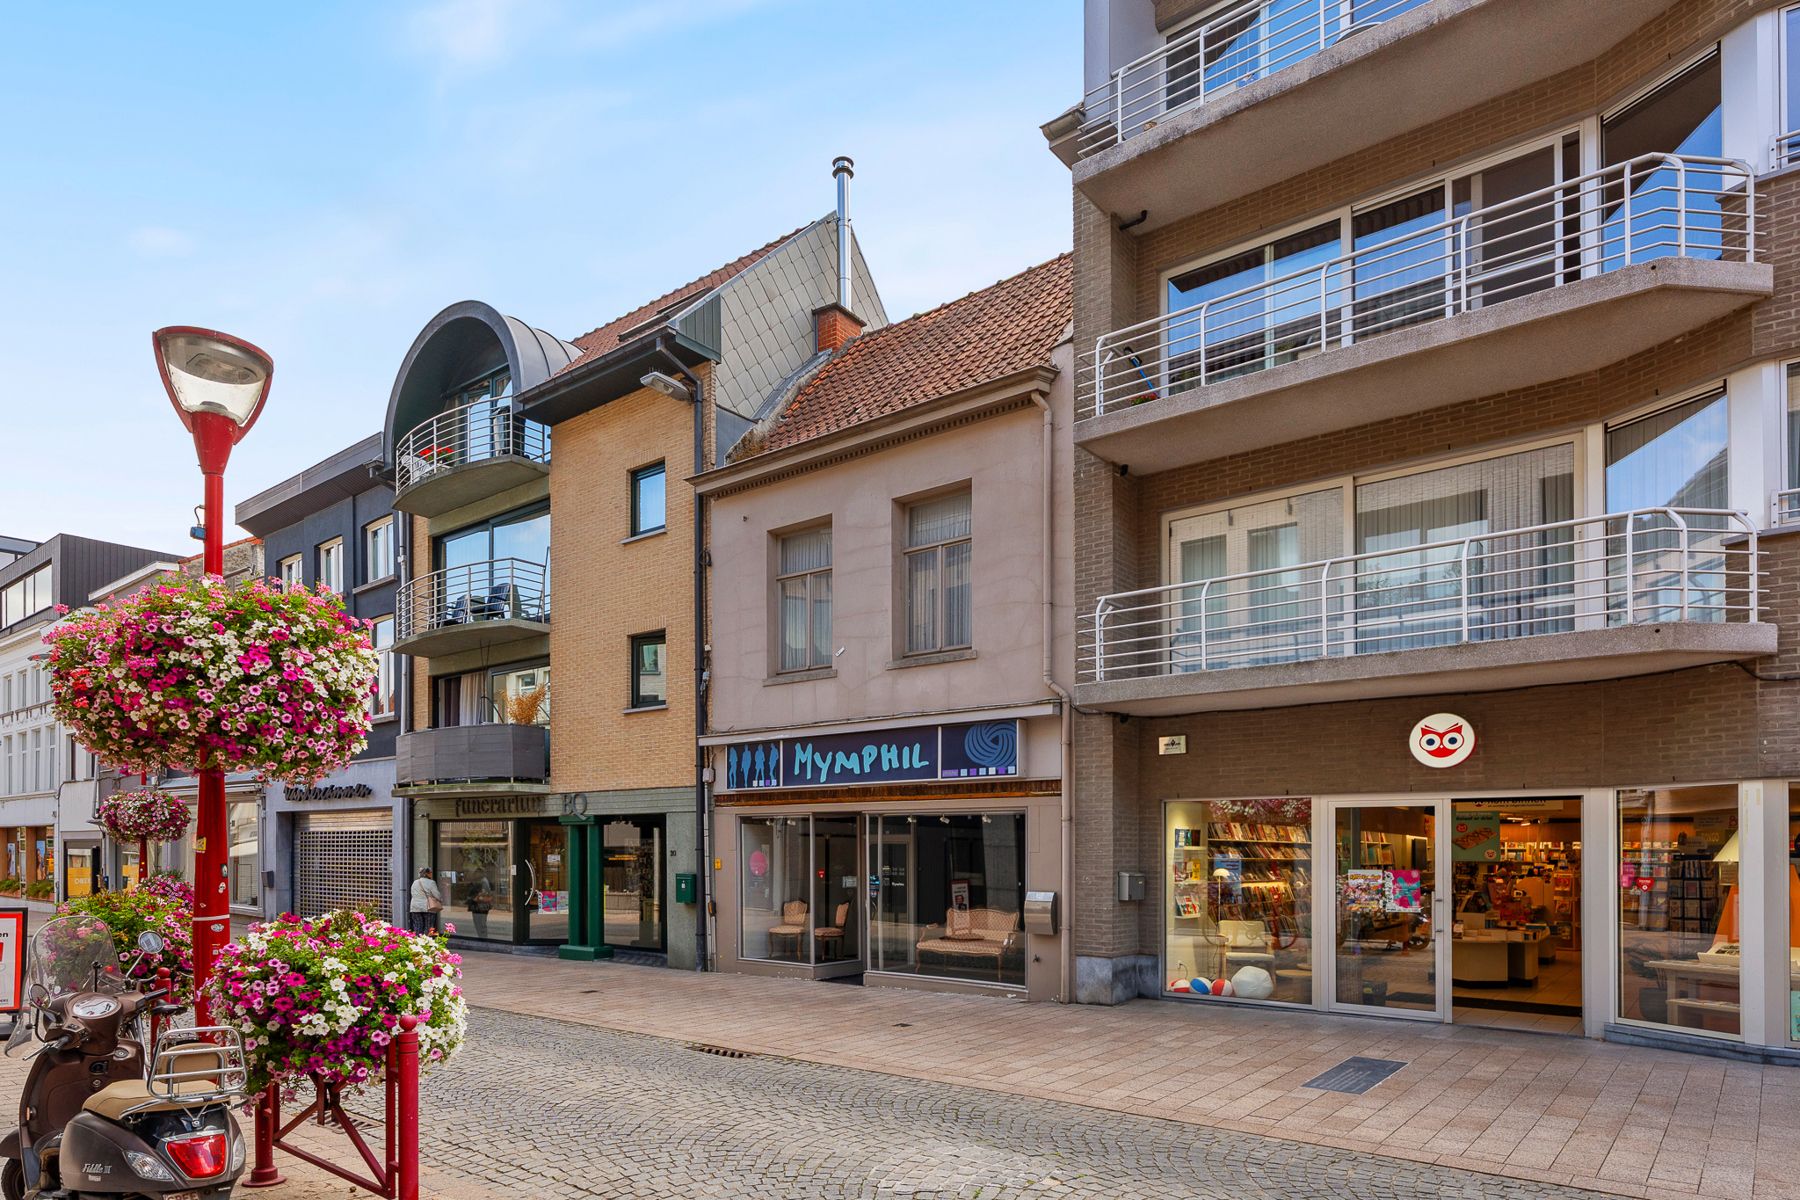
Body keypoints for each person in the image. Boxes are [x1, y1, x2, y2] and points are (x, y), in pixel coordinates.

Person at [408, 867, 444, 935]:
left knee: (418, 926)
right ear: (426, 874)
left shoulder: (415, 882)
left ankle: (418, 943)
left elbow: (412, 893)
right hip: (428, 907)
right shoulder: (431, 882)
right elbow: (437, 895)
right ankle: (427, 942)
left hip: (415, 907)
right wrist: (441, 900)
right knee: (428, 927)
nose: (431, 874)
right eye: (430, 873)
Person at [467, 869, 495, 939]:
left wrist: (475, 898)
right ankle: (482, 937)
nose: (475, 875)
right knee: (480, 923)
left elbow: (484, 894)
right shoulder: (481, 881)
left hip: (481, 906)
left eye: (476, 873)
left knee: (480, 923)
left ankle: (483, 937)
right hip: (480, 906)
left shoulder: (483, 881)